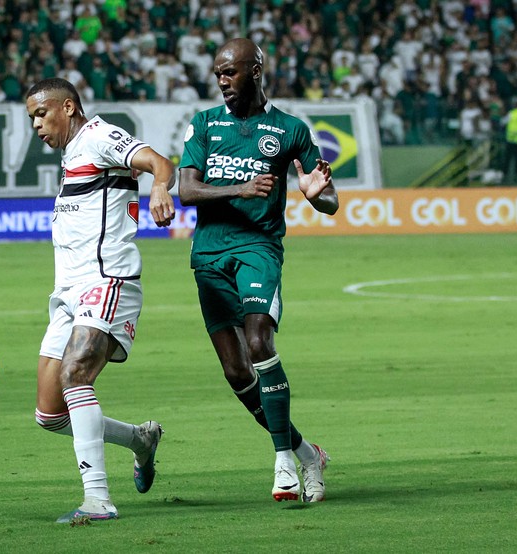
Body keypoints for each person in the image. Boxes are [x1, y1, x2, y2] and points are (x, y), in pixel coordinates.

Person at [178, 38, 338, 504]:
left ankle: (283, 461)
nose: (222, 80)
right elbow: (186, 189)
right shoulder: (205, 124)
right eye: (217, 73)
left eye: (230, 72)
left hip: (258, 248)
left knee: (258, 342)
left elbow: (329, 199)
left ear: (257, 70)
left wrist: (314, 193)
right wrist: (240, 186)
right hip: (209, 254)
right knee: (235, 372)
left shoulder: (289, 129)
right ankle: (307, 451)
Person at [24, 78, 176, 523]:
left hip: (108, 279)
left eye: (41, 113)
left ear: (68, 107)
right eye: (31, 116)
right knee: (49, 414)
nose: (36, 124)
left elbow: (159, 162)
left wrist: (160, 188)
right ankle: (139, 440)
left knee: (76, 374)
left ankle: (98, 499)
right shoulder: (73, 157)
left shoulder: (100, 136)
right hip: (68, 295)